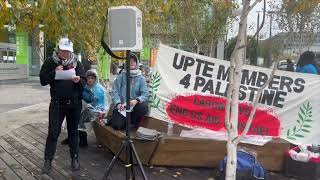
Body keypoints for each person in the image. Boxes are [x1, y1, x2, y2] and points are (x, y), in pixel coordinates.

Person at [39, 37, 85, 174]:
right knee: (53, 132)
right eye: (63, 51)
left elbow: (84, 81)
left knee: (73, 132)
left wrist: (78, 80)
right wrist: (55, 72)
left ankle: (74, 158)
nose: (65, 54)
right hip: (57, 104)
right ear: (58, 49)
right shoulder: (50, 62)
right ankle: (48, 161)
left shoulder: (77, 63)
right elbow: (42, 80)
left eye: (68, 51)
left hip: (75, 104)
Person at [61, 69, 107, 147]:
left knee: (79, 119)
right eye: (88, 78)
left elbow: (100, 103)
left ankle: (83, 140)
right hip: (85, 107)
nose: (90, 80)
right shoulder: (86, 86)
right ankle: (71, 137)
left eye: (92, 78)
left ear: (95, 79)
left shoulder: (98, 89)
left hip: (94, 111)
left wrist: (100, 111)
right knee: (71, 115)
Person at [109, 53, 149, 130]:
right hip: (122, 107)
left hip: (134, 106)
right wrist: (118, 103)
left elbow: (145, 94)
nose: (131, 62)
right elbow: (114, 91)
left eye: (134, 61)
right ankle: (120, 119)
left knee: (143, 107)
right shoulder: (121, 76)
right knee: (117, 125)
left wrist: (136, 100)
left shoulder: (141, 78)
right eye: (129, 61)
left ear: (137, 63)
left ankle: (133, 120)